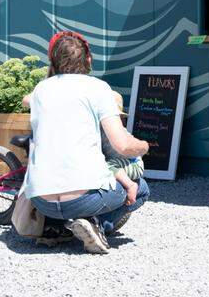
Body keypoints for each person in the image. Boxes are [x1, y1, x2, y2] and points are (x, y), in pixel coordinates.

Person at [23, 31, 151, 254]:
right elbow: (122, 145)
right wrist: (144, 146)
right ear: (88, 60)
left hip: (41, 201)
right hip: (83, 200)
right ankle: (97, 225)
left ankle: (59, 227)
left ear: (53, 61)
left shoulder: (41, 89)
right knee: (141, 189)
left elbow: (26, 100)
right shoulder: (98, 88)